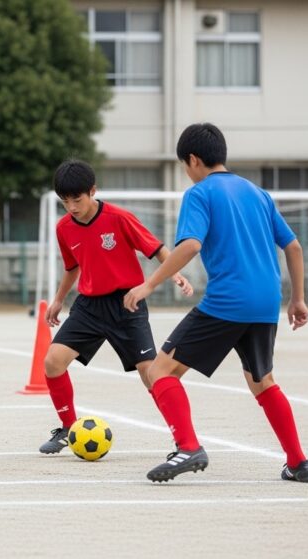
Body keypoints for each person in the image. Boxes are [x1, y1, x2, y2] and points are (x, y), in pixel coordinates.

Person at [123, 123, 308, 483]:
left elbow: (191, 245)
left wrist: (149, 284)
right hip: (266, 303)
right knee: (263, 381)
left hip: (228, 301)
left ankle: (188, 447)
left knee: (158, 371)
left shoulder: (200, 193)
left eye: (184, 165)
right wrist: (298, 300)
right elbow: (293, 246)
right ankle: (298, 462)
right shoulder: (258, 193)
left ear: (193, 160)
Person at [38, 159, 193, 454]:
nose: (71, 206)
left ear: (93, 191)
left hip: (127, 305)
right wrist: (59, 300)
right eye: (65, 200)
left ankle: (183, 441)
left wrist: (176, 274)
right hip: (88, 307)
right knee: (52, 362)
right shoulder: (64, 228)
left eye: (77, 199)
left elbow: (157, 249)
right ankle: (69, 428)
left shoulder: (119, 218)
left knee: (152, 375)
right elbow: (72, 267)